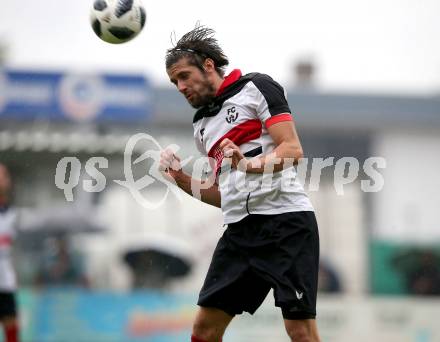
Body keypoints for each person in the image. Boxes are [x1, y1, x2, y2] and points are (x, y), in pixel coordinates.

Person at [161, 26, 320, 342]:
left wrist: (249, 165)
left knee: (299, 330)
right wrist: (180, 178)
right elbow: (226, 196)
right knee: (204, 330)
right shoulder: (202, 127)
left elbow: (292, 149)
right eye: (174, 82)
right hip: (239, 233)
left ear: (208, 65)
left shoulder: (256, 87)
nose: (180, 87)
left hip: (286, 225)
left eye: (183, 76)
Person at [0, 164, 19, 342]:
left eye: (6, 175)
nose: (5, 179)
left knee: (11, 323)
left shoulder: (12, 213)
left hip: (5, 282)